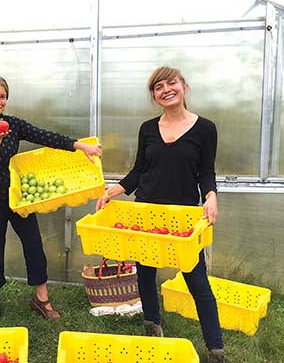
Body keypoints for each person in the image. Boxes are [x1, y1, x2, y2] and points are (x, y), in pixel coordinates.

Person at [95, 67, 224, 363]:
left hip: (183, 216)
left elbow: (206, 171)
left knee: (197, 281)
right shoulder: (148, 128)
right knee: (146, 273)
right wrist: (113, 191)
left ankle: (215, 348)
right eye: (158, 87)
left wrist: (211, 197)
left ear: (184, 87)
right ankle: (152, 326)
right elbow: (140, 170)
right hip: (146, 211)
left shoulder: (205, 128)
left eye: (171, 83)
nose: (165, 89)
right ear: (154, 95)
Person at [0, 76, 102, 322]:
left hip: (20, 197)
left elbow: (45, 136)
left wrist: (80, 146)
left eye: (2, 96)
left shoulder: (13, 124)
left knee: (34, 245)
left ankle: (41, 298)